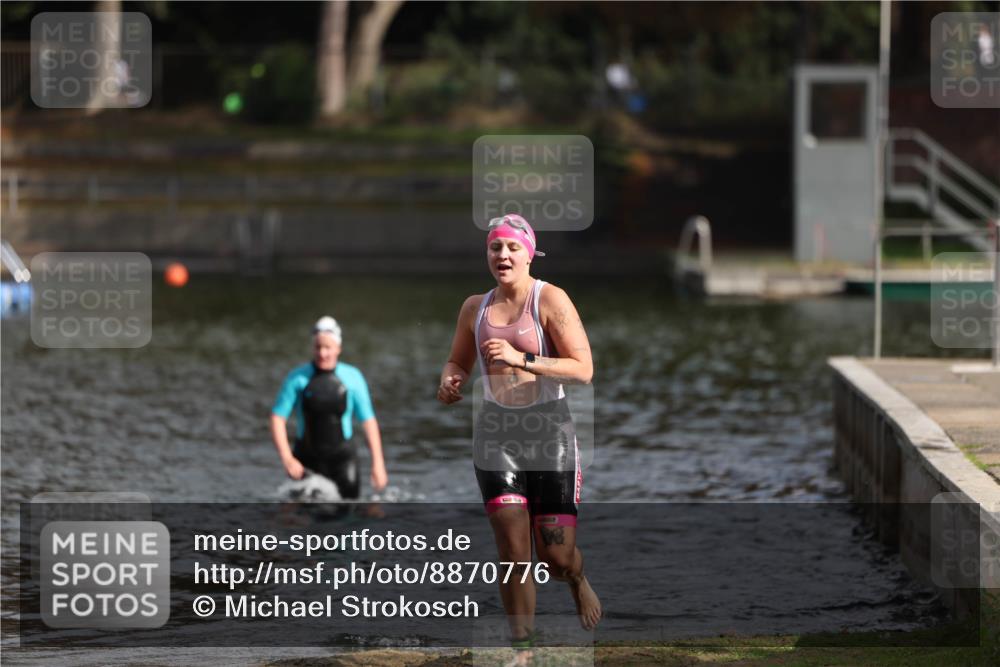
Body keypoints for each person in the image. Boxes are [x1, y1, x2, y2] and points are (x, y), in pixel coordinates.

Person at [437, 214, 602, 651]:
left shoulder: (550, 300)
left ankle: (577, 577)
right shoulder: (475, 307)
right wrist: (449, 379)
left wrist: (520, 359)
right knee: (513, 551)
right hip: (496, 434)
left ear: (529, 253)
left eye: (512, 247)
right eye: (495, 248)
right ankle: (521, 649)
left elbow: (583, 369)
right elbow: (458, 361)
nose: (503, 255)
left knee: (555, 556)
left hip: (549, 432)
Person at [271, 316, 387, 498]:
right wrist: (287, 458)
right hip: (305, 461)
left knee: (348, 519)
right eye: (318, 347)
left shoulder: (353, 378)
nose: (322, 353)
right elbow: (278, 418)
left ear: (338, 348)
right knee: (298, 521)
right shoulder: (297, 378)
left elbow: (368, 421)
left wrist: (378, 463)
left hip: (343, 462)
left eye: (328, 347)